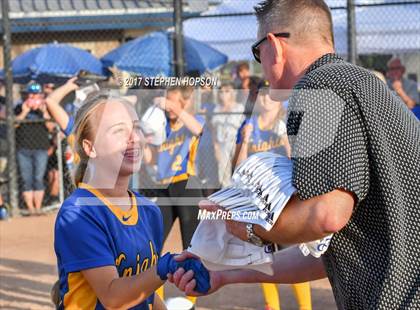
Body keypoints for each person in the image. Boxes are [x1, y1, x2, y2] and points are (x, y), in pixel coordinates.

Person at [170, 1, 420, 309]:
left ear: (274, 45)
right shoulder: (361, 85)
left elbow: (326, 215)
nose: (260, 63)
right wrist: (225, 273)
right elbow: (328, 254)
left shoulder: (319, 86)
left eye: (256, 52)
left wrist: (245, 226)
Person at [54, 90, 208, 309]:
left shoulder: (148, 210)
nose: (134, 138)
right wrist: (164, 267)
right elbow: (113, 297)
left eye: (136, 128)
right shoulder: (79, 212)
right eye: (118, 131)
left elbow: (145, 292)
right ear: (91, 148)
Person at [234, 81, 307, 310]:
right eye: (261, 95)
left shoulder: (287, 123)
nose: (265, 99)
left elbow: (299, 162)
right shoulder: (248, 125)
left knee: (291, 251)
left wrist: (286, 139)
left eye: (270, 95)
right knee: (262, 256)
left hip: (283, 198)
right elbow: (239, 168)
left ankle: (306, 307)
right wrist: (245, 139)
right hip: (257, 199)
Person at [144, 84, 205, 250]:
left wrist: (174, 108)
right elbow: (151, 160)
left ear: (183, 103)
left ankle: (195, 274)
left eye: (172, 101)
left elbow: (199, 130)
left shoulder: (193, 120)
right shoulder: (161, 125)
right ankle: (150, 274)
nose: (167, 106)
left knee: (192, 244)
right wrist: (142, 143)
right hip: (164, 187)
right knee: (153, 238)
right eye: (167, 101)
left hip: (186, 185)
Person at [15, 82, 55, 215]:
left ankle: (37, 208)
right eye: (31, 94)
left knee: (38, 178)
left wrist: (44, 112)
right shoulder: (19, 107)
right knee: (27, 179)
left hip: (41, 148)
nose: (33, 97)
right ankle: (30, 208)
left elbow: (51, 127)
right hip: (23, 148)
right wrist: (24, 112)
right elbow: (13, 125)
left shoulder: (45, 109)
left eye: (36, 95)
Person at [211, 82, 244, 187]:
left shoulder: (239, 108)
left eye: (227, 91)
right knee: (223, 175)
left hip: (235, 143)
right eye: (221, 92)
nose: (223, 94)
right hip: (222, 145)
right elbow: (213, 130)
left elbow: (242, 128)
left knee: (239, 172)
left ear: (232, 93)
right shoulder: (216, 109)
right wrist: (216, 147)